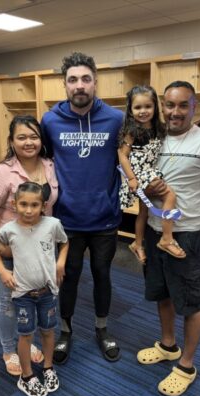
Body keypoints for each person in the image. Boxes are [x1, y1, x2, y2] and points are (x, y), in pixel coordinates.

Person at [137, 81, 200, 396]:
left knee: (192, 303)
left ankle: (186, 365)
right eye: (169, 105)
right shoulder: (153, 139)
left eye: (183, 105)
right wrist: (145, 192)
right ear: (161, 107)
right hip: (156, 232)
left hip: (188, 236)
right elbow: (140, 186)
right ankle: (168, 345)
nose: (175, 112)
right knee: (163, 294)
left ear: (194, 107)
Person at [40, 52, 123, 364]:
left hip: (104, 218)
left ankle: (102, 329)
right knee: (69, 276)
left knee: (102, 274)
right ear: (64, 85)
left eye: (85, 79)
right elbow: (43, 161)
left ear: (95, 83)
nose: (80, 85)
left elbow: (133, 155)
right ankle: (65, 331)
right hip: (67, 220)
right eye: (73, 80)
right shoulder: (50, 120)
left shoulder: (116, 119)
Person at [0, 115, 59, 376]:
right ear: (11, 141)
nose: (28, 142)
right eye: (21, 137)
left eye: (34, 136)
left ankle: (28, 341)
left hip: (41, 250)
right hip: (8, 249)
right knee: (9, 302)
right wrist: (1, 253)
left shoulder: (49, 166)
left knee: (35, 300)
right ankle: (9, 350)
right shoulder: (2, 172)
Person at [0, 182, 69, 396]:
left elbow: (64, 243)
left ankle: (47, 367)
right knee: (25, 335)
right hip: (22, 295)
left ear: (43, 205)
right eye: (23, 204)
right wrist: (1, 270)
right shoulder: (8, 229)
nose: (29, 210)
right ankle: (26, 377)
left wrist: (61, 262)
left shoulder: (53, 224)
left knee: (48, 331)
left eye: (34, 205)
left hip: (48, 292)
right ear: (14, 204)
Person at [118, 85, 186, 264]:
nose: (143, 111)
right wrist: (132, 178)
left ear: (156, 107)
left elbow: (176, 130)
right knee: (170, 195)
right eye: (138, 107)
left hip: (149, 171)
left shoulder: (159, 127)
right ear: (131, 110)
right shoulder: (132, 131)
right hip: (138, 174)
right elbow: (122, 155)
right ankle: (166, 238)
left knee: (143, 212)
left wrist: (196, 125)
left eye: (148, 106)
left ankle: (137, 244)